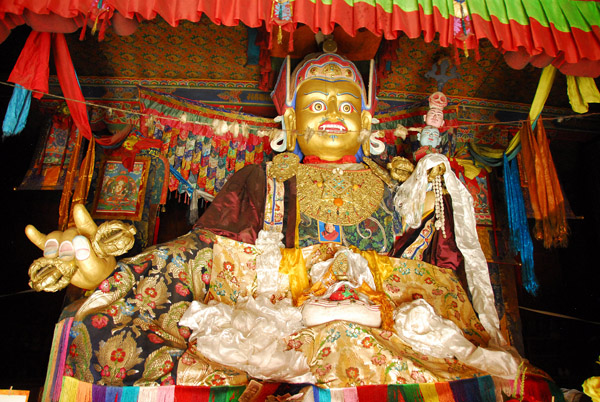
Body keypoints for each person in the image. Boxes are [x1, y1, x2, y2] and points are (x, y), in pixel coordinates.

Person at [26, 51, 523, 390]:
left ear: (368, 122)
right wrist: (114, 275)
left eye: (348, 105)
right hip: (279, 330)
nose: (334, 113)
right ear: (289, 122)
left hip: (382, 334)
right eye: (318, 103)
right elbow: (202, 257)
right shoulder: (258, 182)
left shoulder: (401, 190)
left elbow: (436, 271)